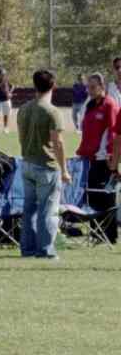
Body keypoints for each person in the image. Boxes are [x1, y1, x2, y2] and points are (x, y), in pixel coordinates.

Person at [17, 69, 69, 260]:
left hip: (27, 163)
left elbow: (21, 137)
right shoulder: (53, 112)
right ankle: (46, 250)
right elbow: (58, 143)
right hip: (46, 166)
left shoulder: (23, 109)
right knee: (48, 210)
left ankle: (27, 249)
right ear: (53, 85)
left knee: (29, 209)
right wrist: (64, 170)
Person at [75, 71, 119, 243]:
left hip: (104, 160)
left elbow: (114, 133)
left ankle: (109, 235)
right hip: (89, 159)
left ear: (102, 87)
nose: (90, 90)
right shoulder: (90, 104)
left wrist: (112, 158)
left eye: (93, 87)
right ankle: (96, 233)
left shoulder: (110, 105)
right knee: (92, 197)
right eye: (88, 87)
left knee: (106, 197)